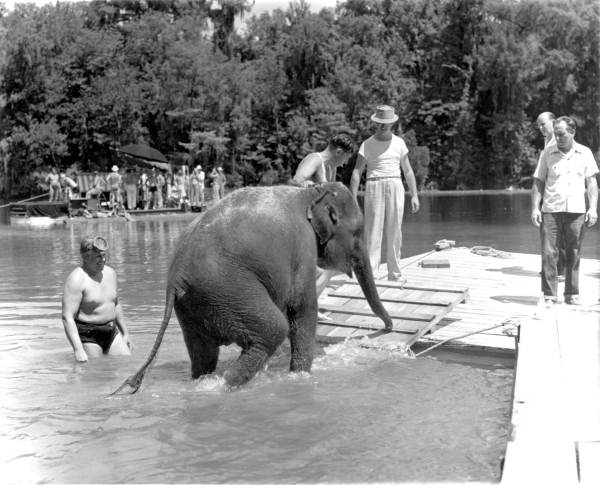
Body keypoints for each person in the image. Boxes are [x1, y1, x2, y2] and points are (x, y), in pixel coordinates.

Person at [531, 116, 598, 306]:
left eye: (561, 134)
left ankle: (571, 294)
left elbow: (592, 183)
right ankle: (550, 295)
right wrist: (535, 208)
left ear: (572, 132)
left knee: (574, 253)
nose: (558, 138)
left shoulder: (585, 153)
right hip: (551, 210)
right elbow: (538, 181)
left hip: (576, 211)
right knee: (548, 253)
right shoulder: (547, 153)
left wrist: (593, 209)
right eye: (556, 134)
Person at [350, 105, 420, 282]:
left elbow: (408, 171)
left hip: (395, 184)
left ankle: (394, 274)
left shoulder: (399, 143)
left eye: (386, 123)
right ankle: (371, 275)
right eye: (380, 123)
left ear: (392, 124)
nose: (382, 126)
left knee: (395, 230)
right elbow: (357, 172)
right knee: (373, 232)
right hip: (374, 185)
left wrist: (414, 195)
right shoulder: (367, 144)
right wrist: (352, 197)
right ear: (375, 123)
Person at [292, 133, 355, 320]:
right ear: (338, 151)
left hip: (317, 225)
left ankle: (308, 306)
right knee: (324, 267)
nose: (344, 163)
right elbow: (297, 180)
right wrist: (310, 185)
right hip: (303, 223)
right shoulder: (315, 159)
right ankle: (304, 310)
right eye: (345, 158)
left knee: (331, 266)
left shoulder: (329, 167)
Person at [62, 235, 132, 362]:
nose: (103, 260)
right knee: (95, 372)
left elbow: (115, 303)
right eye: (98, 257)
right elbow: (67, 317)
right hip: (89, 334)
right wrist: (78, 349)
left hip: (111, 330)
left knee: (126, 365)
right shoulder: (76, 279)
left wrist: (125, 333)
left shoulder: (110, 273)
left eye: (104, 255)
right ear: (86, 257)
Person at [536, 111, 565, 280]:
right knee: (546, 231)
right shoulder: (547, 141)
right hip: (547, 193)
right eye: (539, 125)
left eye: (543, 124)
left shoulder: (561, 141)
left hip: (558, 194)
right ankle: (549, 267)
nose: (541, 128)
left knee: (558, 233)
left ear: (553, 123)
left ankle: (560, 270)